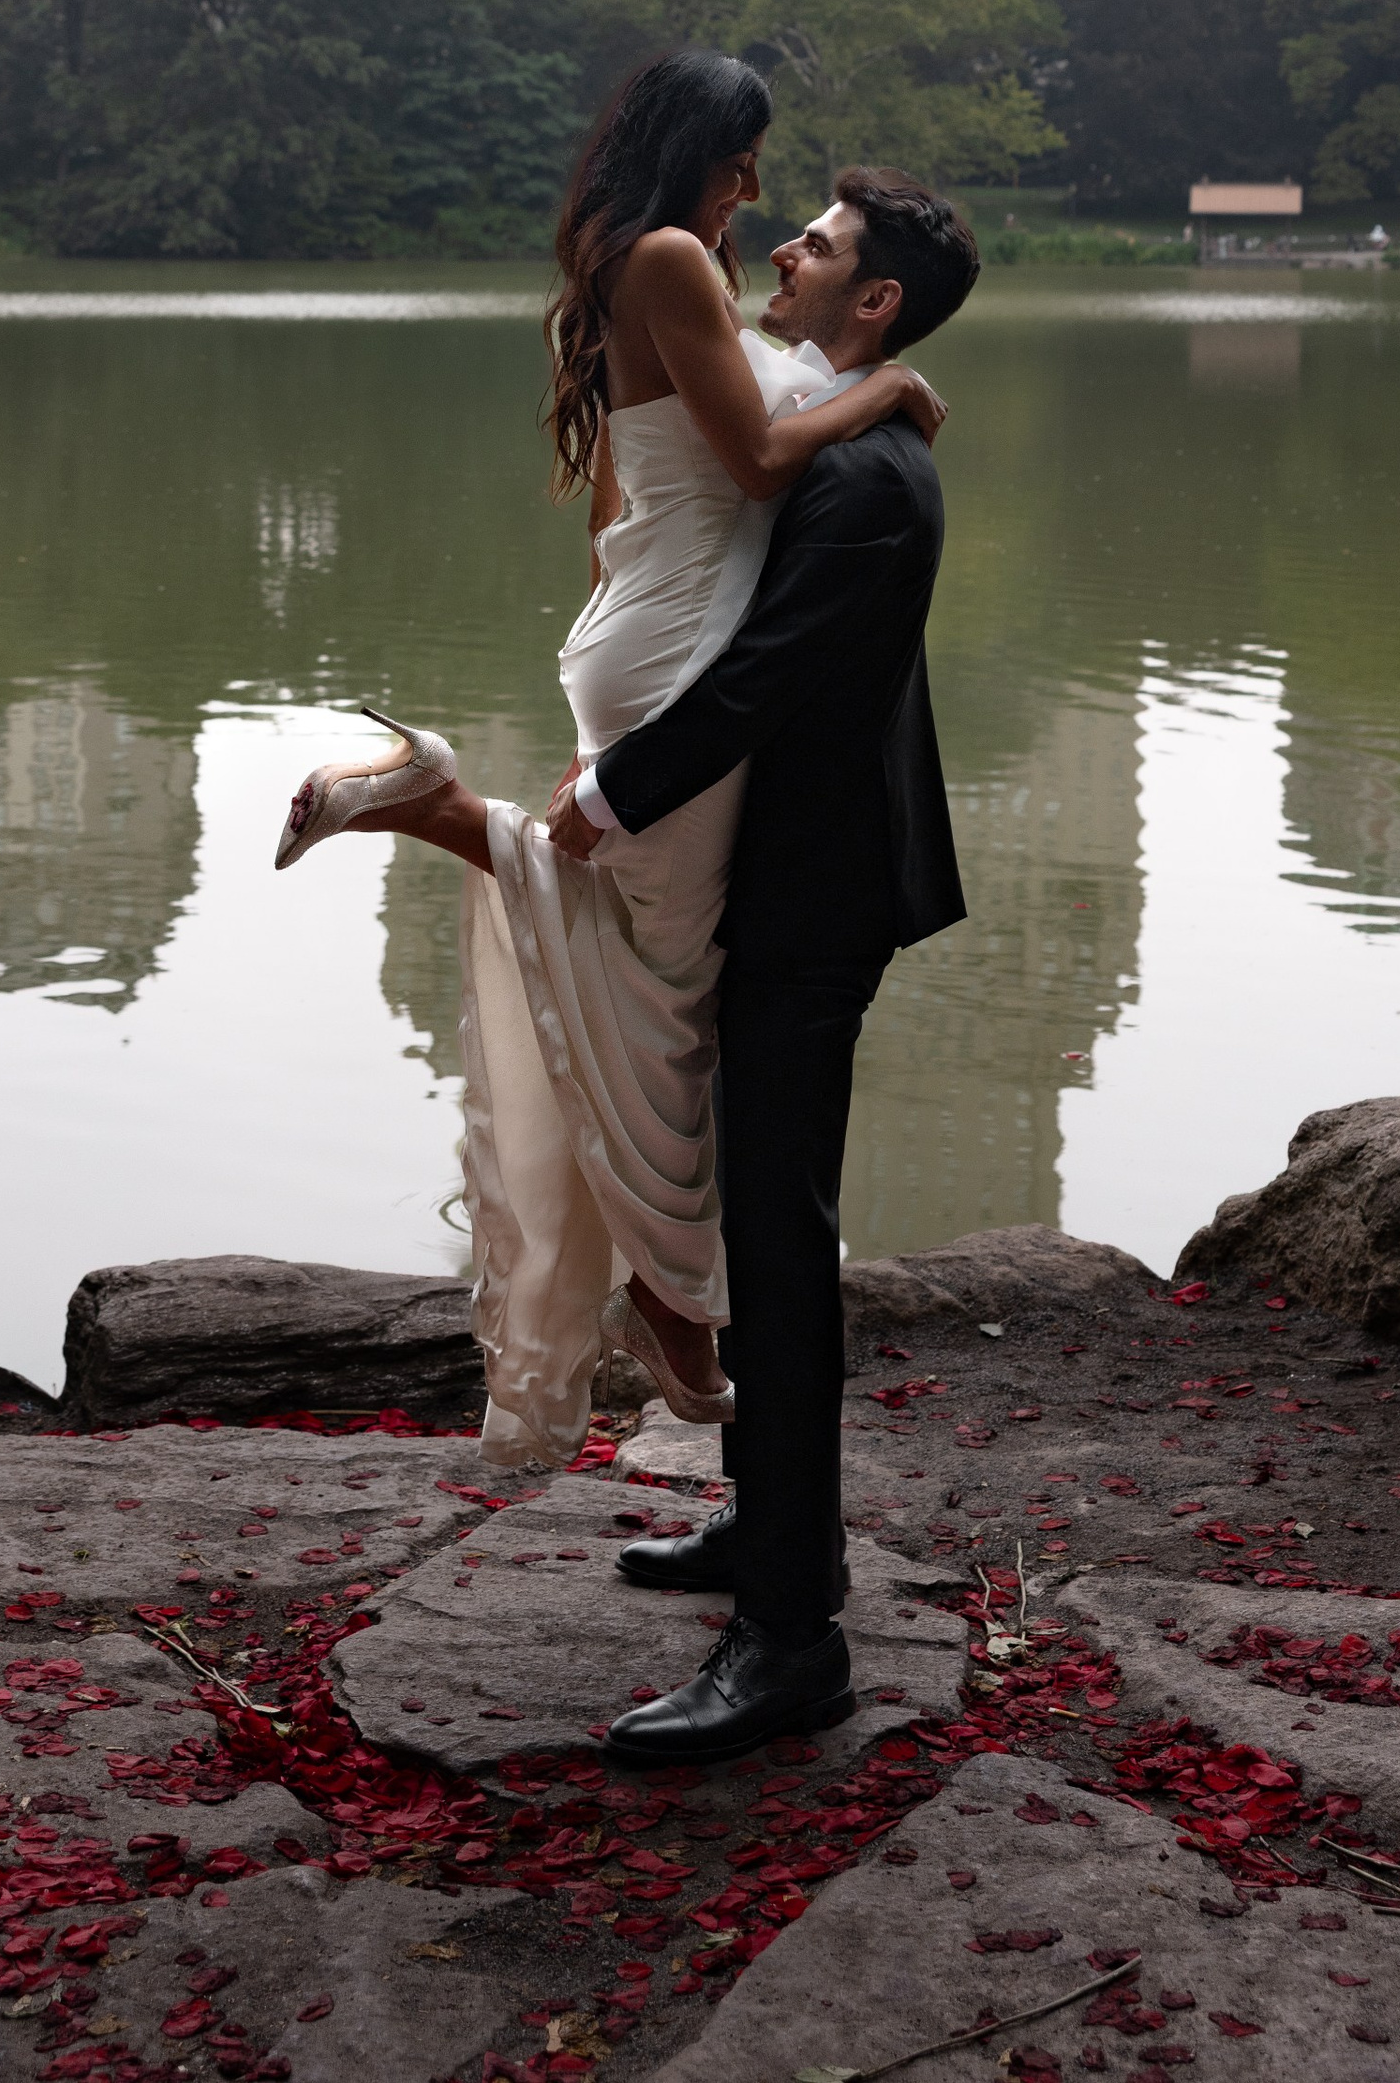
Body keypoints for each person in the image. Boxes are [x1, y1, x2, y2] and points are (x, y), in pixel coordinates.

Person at [272, 49, 947, 1469]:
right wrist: (884, 396)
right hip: (677, 643)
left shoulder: (652, 262)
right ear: (699, 145)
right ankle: (680, 1321)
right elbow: (761, 461)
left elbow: (626, 492)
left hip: (641, 621)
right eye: (748, 160)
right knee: (674, 995)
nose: (760, 194)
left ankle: (443, 808)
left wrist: (611, 628)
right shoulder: (667, 259)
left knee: (651, 960)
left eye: (791, 202)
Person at [550, 160, 980, 1762]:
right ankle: (771, 1529)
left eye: (817, 244)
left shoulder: (871, 484)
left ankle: (793, 1638)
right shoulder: (846, 428)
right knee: (758, 1219)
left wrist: (611, 792)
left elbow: (766, 681)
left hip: (812, 903)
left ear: (872, 303)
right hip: (784, 884)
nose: (782, 251)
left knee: (783, 1256)